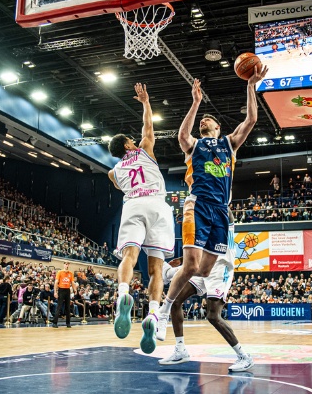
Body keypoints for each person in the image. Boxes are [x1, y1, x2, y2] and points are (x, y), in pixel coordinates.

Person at [156, 65, 268, 355]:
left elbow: (251, 119)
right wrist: (195, 103)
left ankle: (170, 278)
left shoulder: (229, 144)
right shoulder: (194, 145)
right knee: (193, 266)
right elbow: (182, 134)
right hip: (197, 205)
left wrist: (250, 85)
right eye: (202, 119)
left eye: (210, 118)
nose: (206, 120)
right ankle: (164, 310)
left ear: (218, 128)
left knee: (203, 269)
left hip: (220, 210)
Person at [107, 83, 175, 354]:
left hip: (133, 204)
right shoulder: (145, 149)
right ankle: (154, 314)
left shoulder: (113, 172)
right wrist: (145, 102)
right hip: (158, 206)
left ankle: (123, 294)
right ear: (128, 144)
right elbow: (148, 127)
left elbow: (116, 182)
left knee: (129, 257)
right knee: (156, 269)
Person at [159, 217, 253, 372]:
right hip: (204, 267)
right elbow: (203, 251)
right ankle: (180, 349)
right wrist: (183, 261)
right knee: (175, 300)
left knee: (213, 316)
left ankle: (244, 356)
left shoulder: (224, 218)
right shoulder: (204, 224)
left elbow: (225, 211)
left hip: (220, 269)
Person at [52, 262, 73, 328]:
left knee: (68, 307)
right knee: (59, 306)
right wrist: (55, 292)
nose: (67, 265)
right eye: (66, 264)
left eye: (68, 264)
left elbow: (72, 282)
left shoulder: (70, 273)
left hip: (67, 290)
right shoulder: (60, 272)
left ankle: (68, 323)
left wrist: (75, 290)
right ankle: (55, 323)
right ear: (64, 265)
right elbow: (56, 282)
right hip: (61, 289)